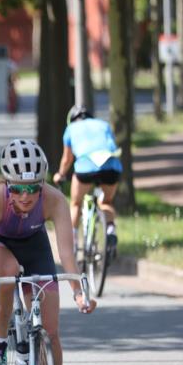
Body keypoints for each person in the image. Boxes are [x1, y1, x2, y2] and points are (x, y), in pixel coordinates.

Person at [0, 138, 96, 365]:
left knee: (50, 331)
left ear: (42, 184)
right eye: (17, 189)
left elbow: (66, 253)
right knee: (7, 271)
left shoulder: (55, 199)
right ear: (7, 184)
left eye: (32, 188)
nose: (25, 196)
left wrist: (78, 292)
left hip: (34, 245)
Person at [53, 105, 122, 258]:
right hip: (111, 165)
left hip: (86, 166)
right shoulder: (103, 124)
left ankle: (73, 240)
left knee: (76, 203)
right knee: (106, 202)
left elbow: (67, 159)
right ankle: (110, 230)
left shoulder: (70, 129)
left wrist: (60, 175)